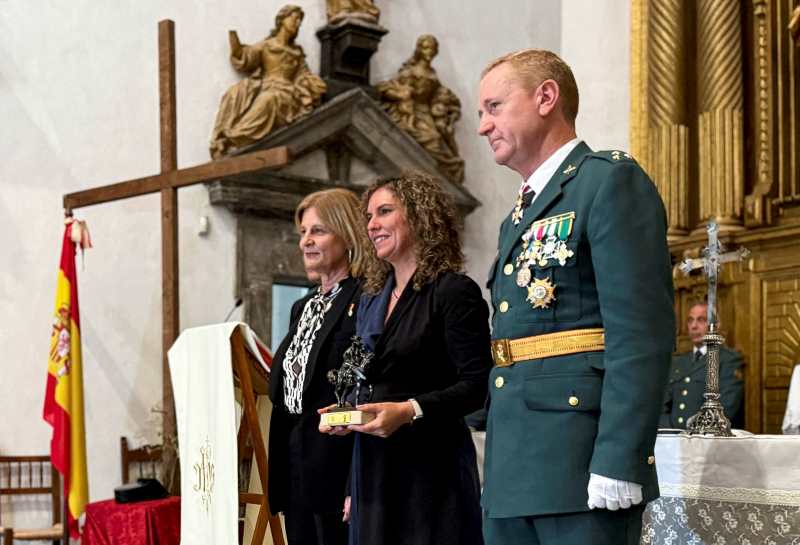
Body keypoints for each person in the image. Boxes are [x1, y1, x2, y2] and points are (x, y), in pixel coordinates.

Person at [477, 49, 675, 545]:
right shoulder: (516, 219)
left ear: (546, 97)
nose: (483, 126)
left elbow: (640, 334)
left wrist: (620, 457)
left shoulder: (607, 182)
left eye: (494, 106)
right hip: (513, 467)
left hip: (581, 466)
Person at [320, 172, 491, 545]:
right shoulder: (370, 299)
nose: (372, 225)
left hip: (430, 470)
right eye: (368, 216)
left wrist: (410, 409)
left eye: (384, 211)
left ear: (418, 216)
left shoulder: (452, 291)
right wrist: (345, 413)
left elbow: (478, 386)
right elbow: (371, 384)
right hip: (372, 469)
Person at [268, 188, 368, 545]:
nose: (306, 242)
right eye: (303, 233)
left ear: (348, 235)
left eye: (318, 231)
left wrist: (355, 483)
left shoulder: (366, 298)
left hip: (336, 466)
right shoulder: (304, 306)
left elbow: (364, 389)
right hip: (296, 464)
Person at [209, 4, 326, 158]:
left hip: (289, 95)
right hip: (270, 88)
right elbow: (246, 58)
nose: (297, 23)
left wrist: (313, 85)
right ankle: (234, 140)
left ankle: (235, 139)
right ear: (282, 19)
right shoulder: (266, 45)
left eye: (299, 21)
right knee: (267, 98)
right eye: (294, 18)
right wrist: (233, 39)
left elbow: (304, 75)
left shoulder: (297, 53)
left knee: (270, 99)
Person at [376, 35, 464, 184]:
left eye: (432, 48)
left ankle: (441, 175)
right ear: (419, 49)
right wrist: (404, 94)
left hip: (426, 112)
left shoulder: (432, 73)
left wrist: (444, 105)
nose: (429, 51)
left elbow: (439, 95)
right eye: (425, 47)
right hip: (412, 111)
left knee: (438, 140)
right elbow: (395, 88)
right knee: (433, 139)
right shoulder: (410, 71)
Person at [661, 301, 744, 429]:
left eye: (701, 320)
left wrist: (695, 434)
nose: (694, 326)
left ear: (716, 325)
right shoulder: (678, 362)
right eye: (690, 320)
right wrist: (670, 432)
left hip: (707, 439)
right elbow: (662, 405)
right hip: (673, 440)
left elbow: (727, 407)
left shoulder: (727, 360)